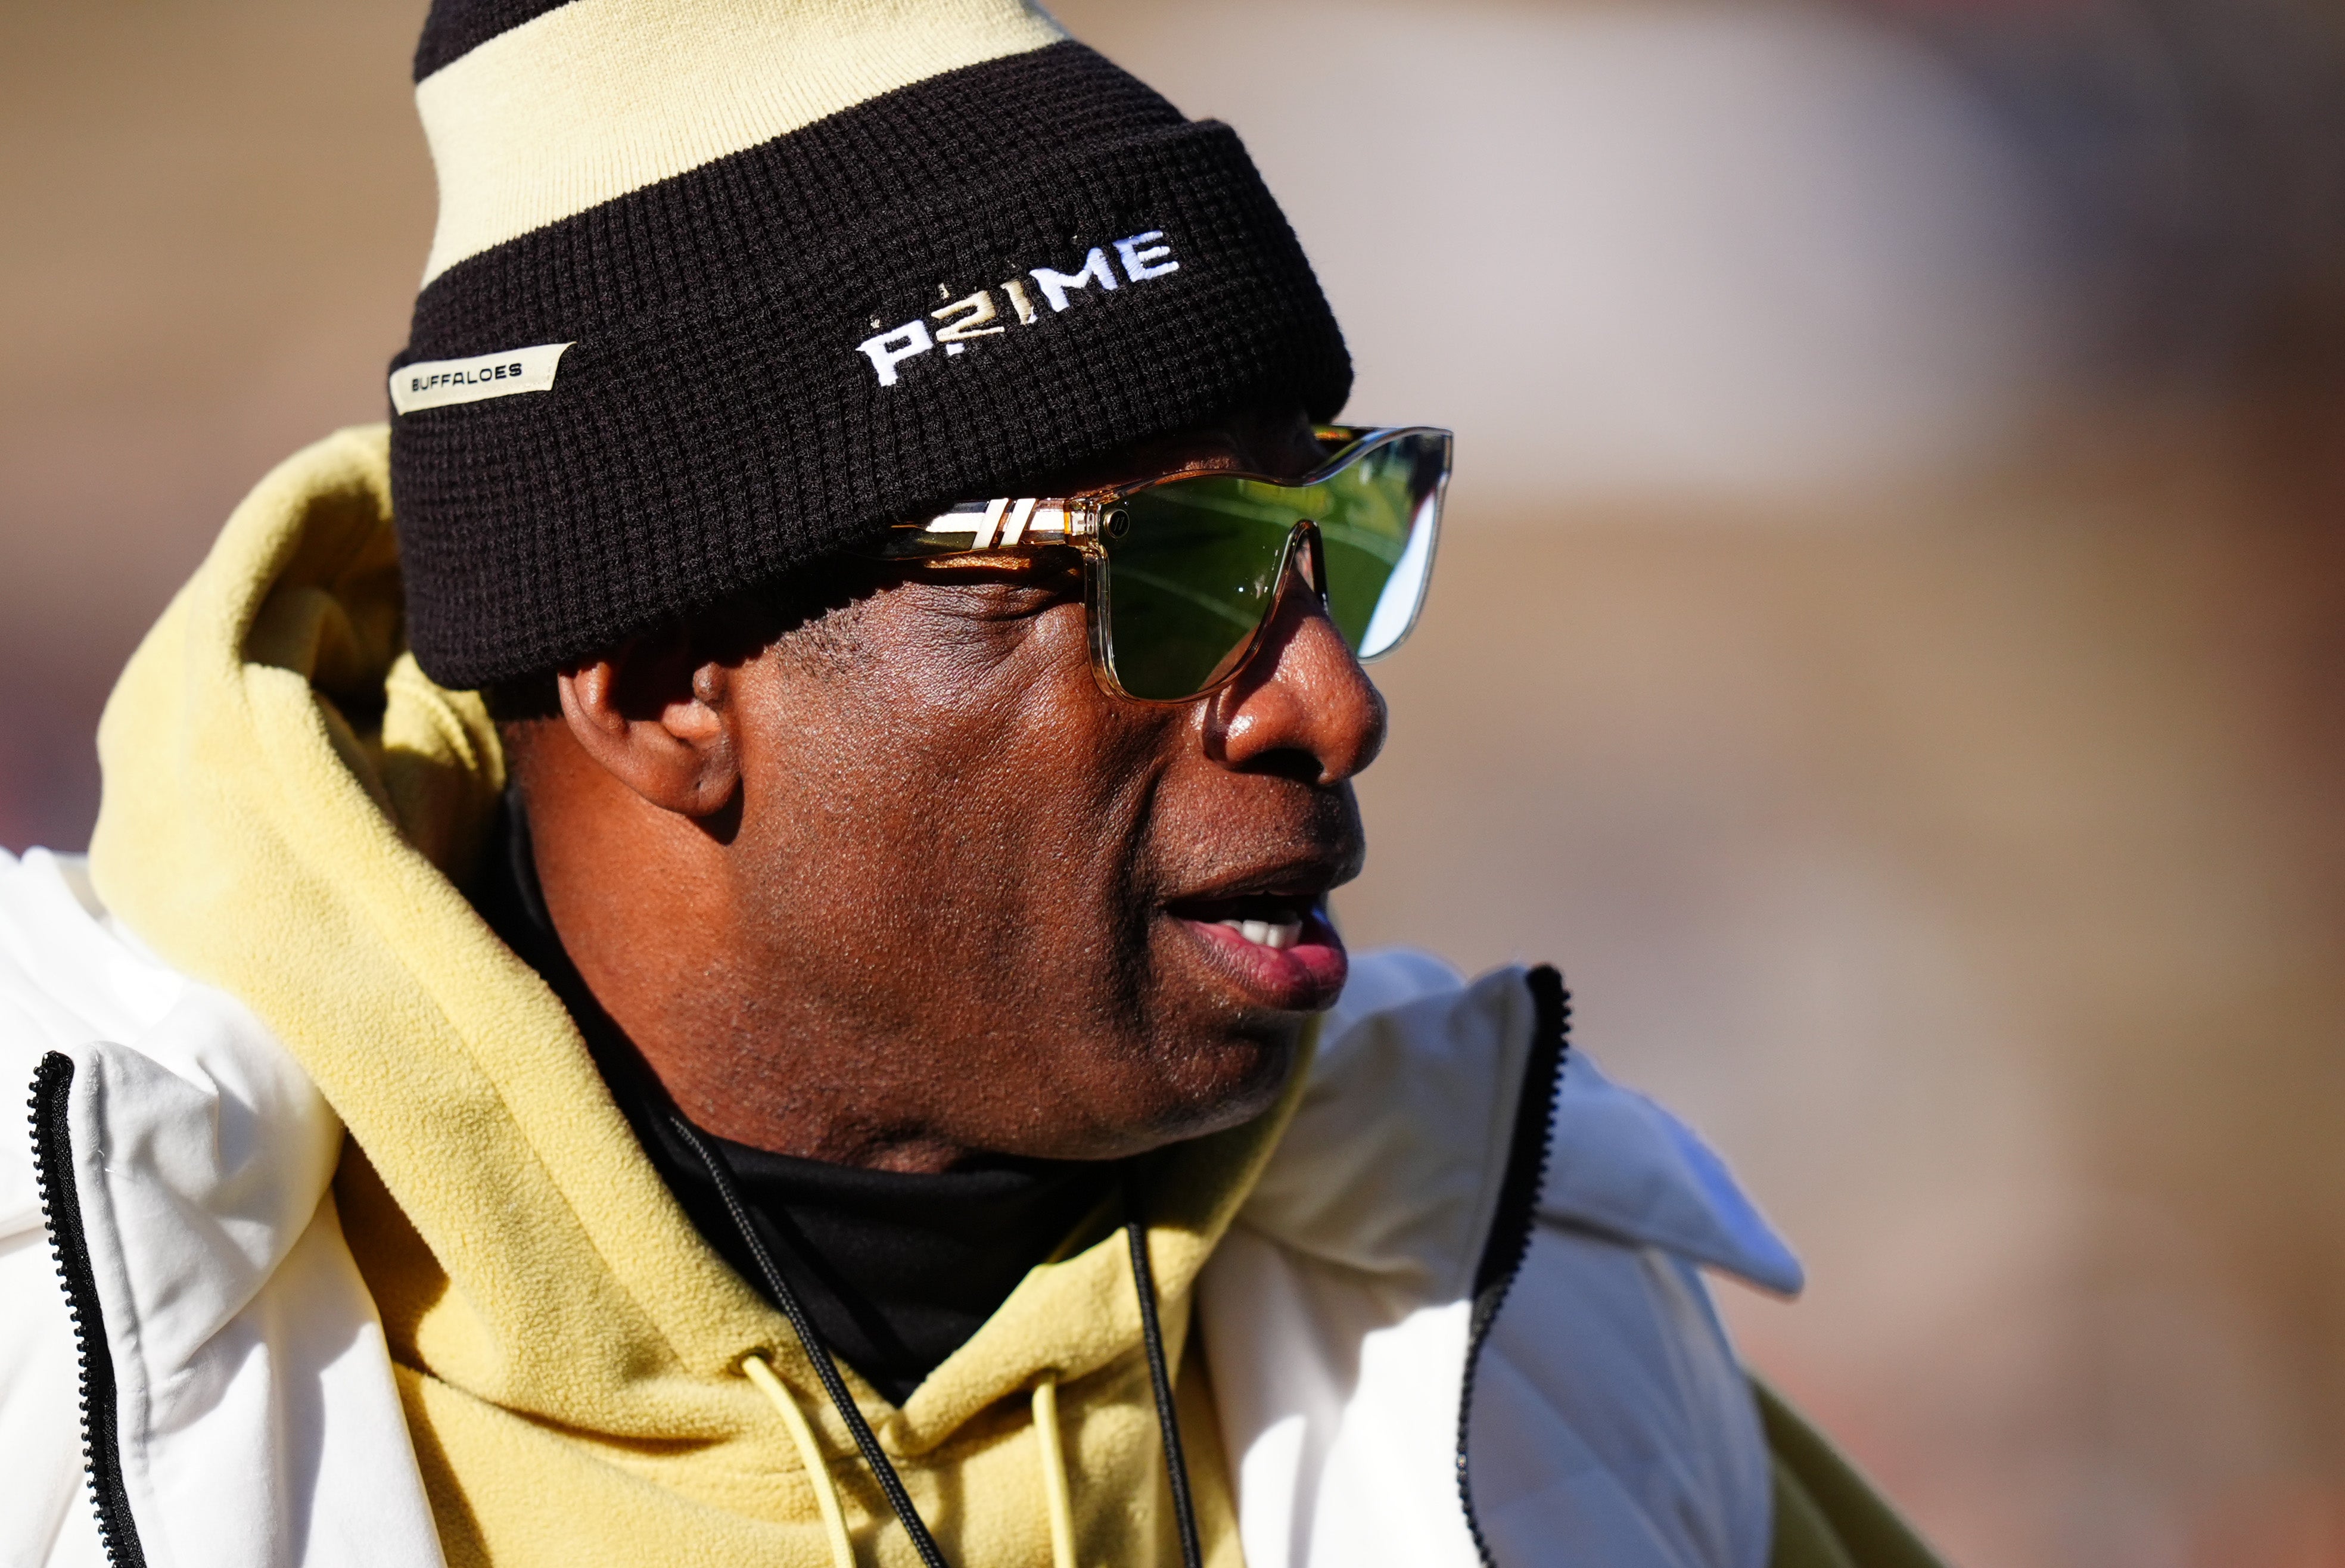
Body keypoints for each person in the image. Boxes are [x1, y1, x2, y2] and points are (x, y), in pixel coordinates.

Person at [0, 3, 1944, 1565]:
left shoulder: (1508, 1337)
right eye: (1165, 578)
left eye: (1330, 538)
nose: (1329, 707)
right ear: (671, 688)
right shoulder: (73, 1374)